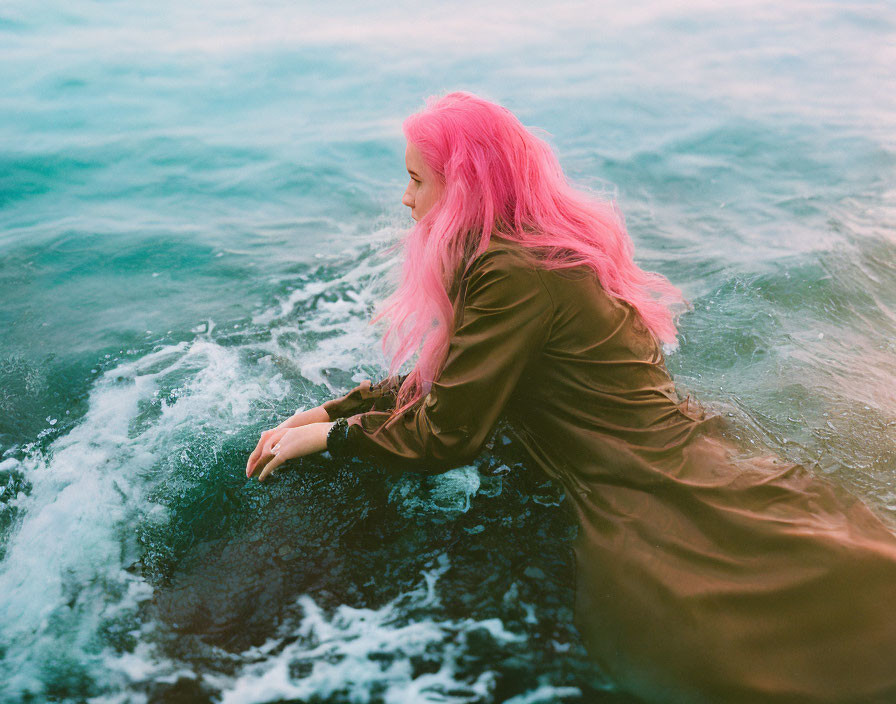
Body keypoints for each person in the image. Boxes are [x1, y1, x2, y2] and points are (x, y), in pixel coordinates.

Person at [245, 92, 896, 703]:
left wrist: (333, 439)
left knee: (718, 627)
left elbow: (448, 433)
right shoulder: (519, 247)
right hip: (653, 439)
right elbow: (461, 372)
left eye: (417, 179)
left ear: (464, 185)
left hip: (632, 465)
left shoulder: (509, 272)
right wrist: (336, 408)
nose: (405, 197)